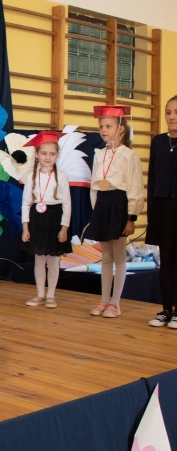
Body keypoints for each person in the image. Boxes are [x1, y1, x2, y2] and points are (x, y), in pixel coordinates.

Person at [87, 105, 144, 318]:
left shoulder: (129, 155)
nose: (103, 130)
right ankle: (104, 300)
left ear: (120, 129)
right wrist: (97, 210)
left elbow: (135, 187)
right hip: (103, 204)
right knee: (106, 256)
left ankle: (115, 303)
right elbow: (94, 184)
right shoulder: (99, 154)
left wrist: (131, 217)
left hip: (120, 204)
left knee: (119, 256)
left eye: (108, 126)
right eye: (101, 126)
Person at [21, 132, 71, 308]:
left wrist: (64, 228)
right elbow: (26, 203)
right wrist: (25, 227)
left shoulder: (61, 176)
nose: (48, 157)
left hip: (54, 219)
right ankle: (40, 294)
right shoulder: (31, 176)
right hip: (37, 219)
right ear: (36, 154)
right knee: (39, 260)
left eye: (52, 154)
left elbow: (67, 204)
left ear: (57, 155)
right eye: (44, 153)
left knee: (53, 260)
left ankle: (51, 295)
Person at [146, 95, 177, 328]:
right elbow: (153, 177)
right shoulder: (158, 141)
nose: (172, 117)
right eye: (168, 112)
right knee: (165, 260)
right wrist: (152, 213)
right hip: (162, 209)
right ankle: (166, 309)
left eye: (176, 112)